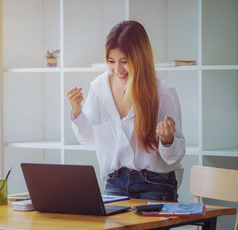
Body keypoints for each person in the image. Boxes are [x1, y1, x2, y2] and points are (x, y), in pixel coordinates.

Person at [66, 21, 185, 202]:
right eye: (111, 61)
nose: (117, 69)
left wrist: (167, 140)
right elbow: (88, 138)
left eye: (124, 62)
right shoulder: (99, 88)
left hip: (155, 183)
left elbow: (174, 158)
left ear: (140, 59)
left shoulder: (164, 94)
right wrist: (77, 112)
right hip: (115, 183)